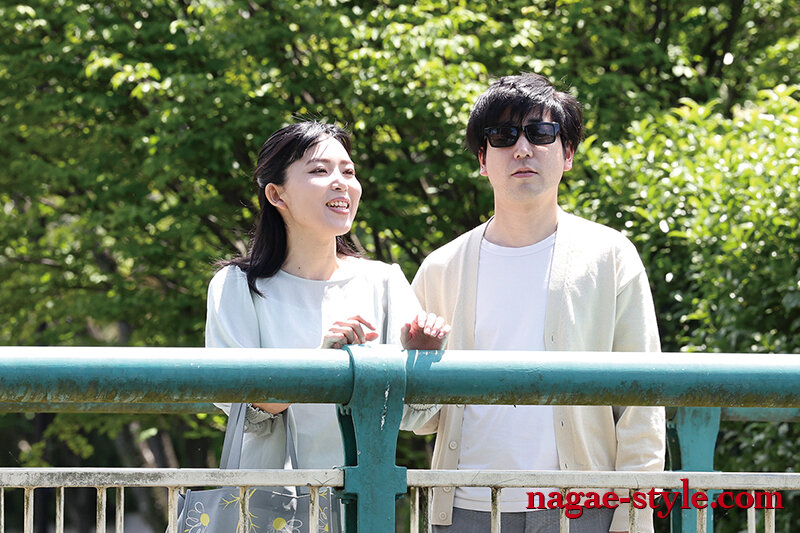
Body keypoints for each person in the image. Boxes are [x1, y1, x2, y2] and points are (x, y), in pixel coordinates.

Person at [412, 73, 666, 533]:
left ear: (567, 154)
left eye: (541, 133)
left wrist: (634, 515)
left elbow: (643, 402)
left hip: (585, 507)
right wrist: (419, 370)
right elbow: (420, 419)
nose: (522, 148)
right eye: (503, 135)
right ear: (482, 159)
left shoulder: (610, 256)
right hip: (464, 507)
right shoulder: (441, 268)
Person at [205, 121, 448, 473]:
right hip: (268, 497)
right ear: (276, 195)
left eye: (348, 171)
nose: (341, 182)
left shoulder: (384, 281)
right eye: (320, 170)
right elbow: (240, 403)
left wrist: (422, 359)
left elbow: (412, 416)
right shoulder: (236, 285)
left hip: (363, 494)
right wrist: (322, 366)